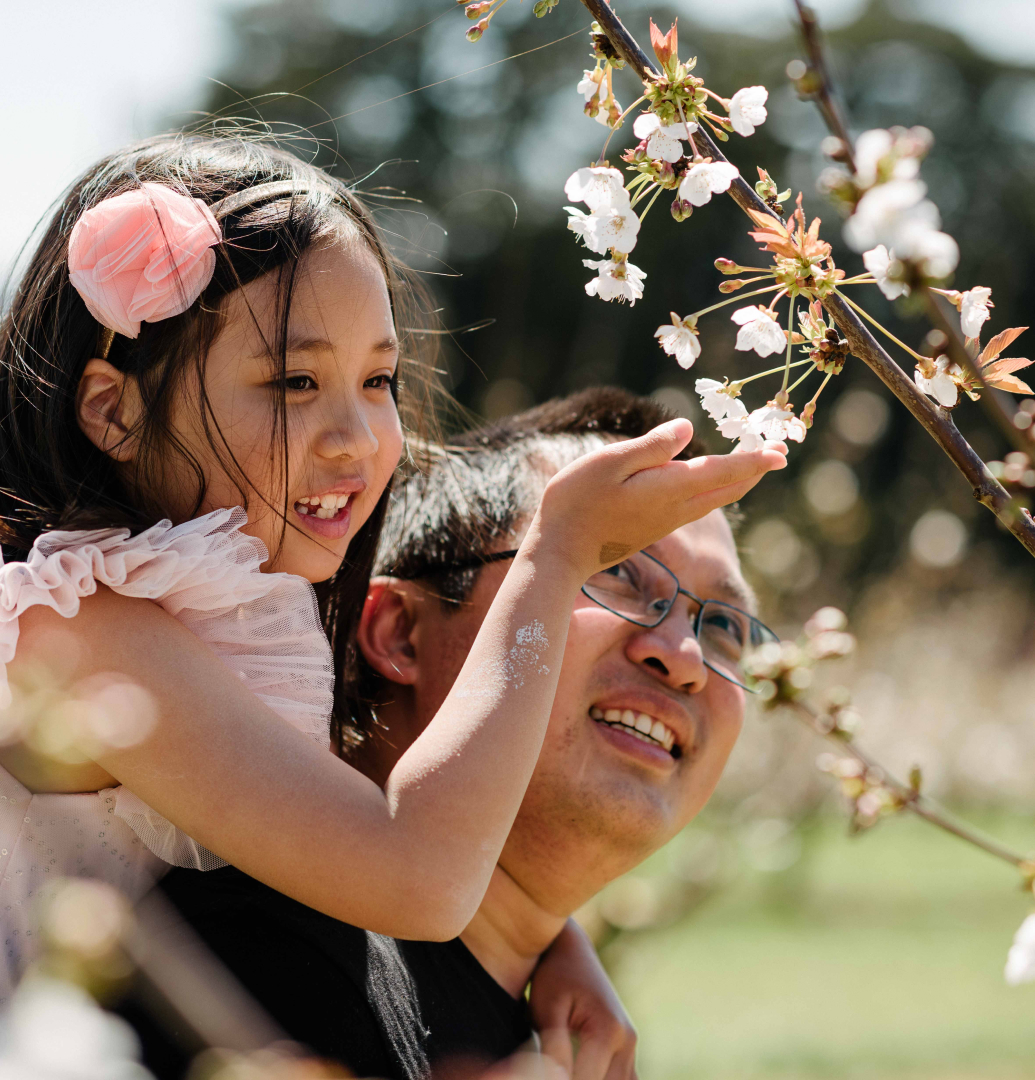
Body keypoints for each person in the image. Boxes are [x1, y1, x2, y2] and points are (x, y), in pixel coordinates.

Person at [0, 133, 787, 1009]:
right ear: (114, 408)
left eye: (379, 380)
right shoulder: (74, 629)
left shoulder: (220, 616)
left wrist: (547, 942)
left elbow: (352, 818)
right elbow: (417, 874)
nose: (359, 438)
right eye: (295, 382)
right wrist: (557, 554)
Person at [148, 388, 776, 1080]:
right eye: (614, 566)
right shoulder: (249, 965)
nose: (684, 657)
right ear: (400, 633)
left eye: (724, 627)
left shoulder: (560, 1040)